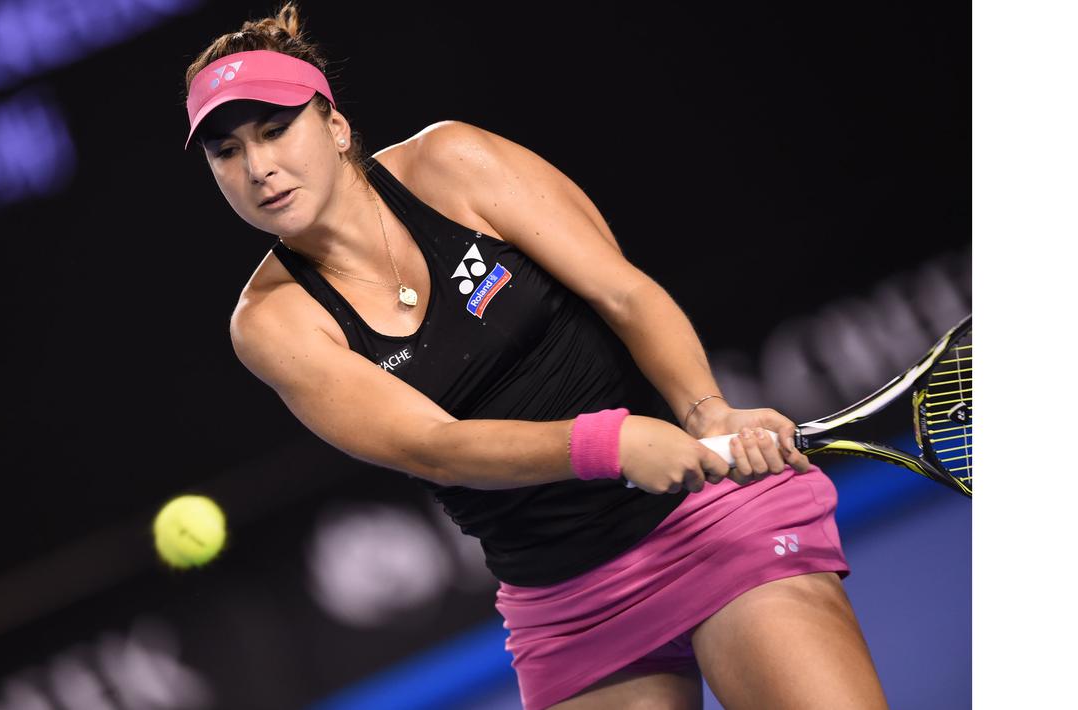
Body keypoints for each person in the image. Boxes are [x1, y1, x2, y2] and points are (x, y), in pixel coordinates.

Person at [183, 4, 889, 709]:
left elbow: (624, 293)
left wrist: (705, 410)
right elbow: (434, 446)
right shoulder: (272, 323)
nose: (259, 167)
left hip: (703, 516)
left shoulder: (452, 163)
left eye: (276, 130)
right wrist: (608, 443)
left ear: (335, 127)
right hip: (567, 601)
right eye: (227, 151)